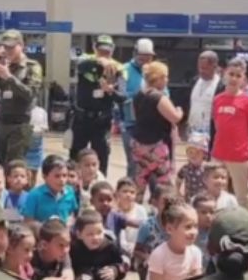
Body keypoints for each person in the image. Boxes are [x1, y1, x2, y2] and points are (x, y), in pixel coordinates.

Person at [0, 30, 43, 164]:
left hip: (20, 124)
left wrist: (9, 77)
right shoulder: (5, 66)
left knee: (14, 165)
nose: (7, 50)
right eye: (5, 47)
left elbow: (30, 94)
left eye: (11, 47)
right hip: (2, 123)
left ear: (21, 46)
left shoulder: (31, 67)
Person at [210, 58, 248, 211]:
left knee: (243, 197)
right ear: (225, 74)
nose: (234, 78)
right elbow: (217, 128)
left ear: (243, 78)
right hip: (218, 155)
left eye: (238, 76)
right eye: (231, 74)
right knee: (215, 195)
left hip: (240, 157)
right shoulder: (217, 100)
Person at [69, 34, 124, 174]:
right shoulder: (85, 59)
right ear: (94, 48)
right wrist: (100, 61)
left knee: (102, 155)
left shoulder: (119, 68)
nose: (105, 53)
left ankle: (99, 185)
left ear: (113, 50)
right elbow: (80, 66)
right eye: (101, 50)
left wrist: (111, 91)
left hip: (102, 121)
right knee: (75, 155)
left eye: (108, 50)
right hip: (81, 118)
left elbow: (123, 97)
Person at [131, 61, 183, 197]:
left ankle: (136, 206)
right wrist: (179, 110)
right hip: (156, 146)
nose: (167, 80)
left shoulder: (138, 95)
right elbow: (175, 117)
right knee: (163, 182)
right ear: (158, 78)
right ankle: (161, 207)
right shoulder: (158, 97)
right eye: (165, 76)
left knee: (140, 180)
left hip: (139, 143)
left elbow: (135, 116)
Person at [66, 209, 128, 280]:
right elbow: (68, 267)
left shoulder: (110, 247)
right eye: (90, 234)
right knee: (81, 279)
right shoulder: (74, 248)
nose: (96, 237)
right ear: (79, 235)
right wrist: (79, 276)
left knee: (105, 274)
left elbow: (122, 264)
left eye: (99, 232)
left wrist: (115, 270)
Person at [119, 38, 157, 179]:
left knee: (153, 163)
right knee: (133, 163)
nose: (144, 61)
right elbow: (121, 95)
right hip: (130, 124)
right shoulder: (124, 70)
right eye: (141, 57)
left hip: (152, 126)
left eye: (148, 58)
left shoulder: (156, 70)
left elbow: (165, 93)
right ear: (134, 53)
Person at [21, 155, 80, 225]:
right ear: (44, 176)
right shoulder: (34, 195)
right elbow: (28, 221)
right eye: (57, 176)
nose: (62, 180)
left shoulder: (69, 192)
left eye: (64, 175)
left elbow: (71, 214)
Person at [184, 49, 222, 137]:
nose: (201, 71)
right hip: (193, 132)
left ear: (214, 66)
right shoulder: (194, 81)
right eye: (199, 68)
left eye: (205, 68)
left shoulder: (221, 86)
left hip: (211, 134)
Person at [176, 133, 208, 201]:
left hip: (204, 200)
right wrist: (177, 192)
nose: (193, 155)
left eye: (197, 153)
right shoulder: (185, 168)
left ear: (204, 154)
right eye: (190, 152)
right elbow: (178, 179)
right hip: (189, 199)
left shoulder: (207, 168)